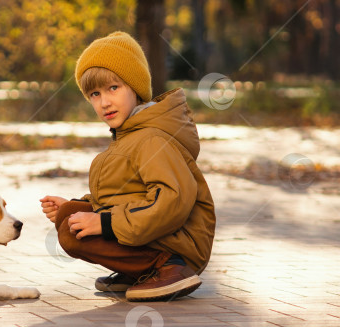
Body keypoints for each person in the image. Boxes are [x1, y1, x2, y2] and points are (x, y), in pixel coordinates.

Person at [40, 32, 215, 301]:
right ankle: (140, 270)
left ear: (136, 87)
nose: (104, 102)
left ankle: (167, 267)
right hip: (155, 234)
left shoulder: (151, 138)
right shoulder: (129, 136)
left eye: (113, 88)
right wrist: (72, 206)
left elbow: (172, 200)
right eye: (94, 94)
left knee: (70, 232)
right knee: (70, 216)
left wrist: (105, 222)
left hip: (180, 243)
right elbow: (123, 195)